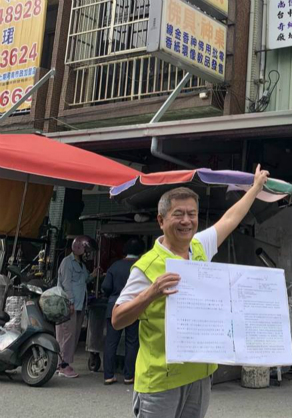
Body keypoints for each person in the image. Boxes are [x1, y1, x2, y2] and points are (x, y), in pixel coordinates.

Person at [112, 165, 270, 418]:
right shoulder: (146, 266)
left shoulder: (199, 248)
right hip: (161, 380)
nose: (186, 221)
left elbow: (230, 219)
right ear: (161, 221)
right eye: (178, 214)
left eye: (192, 214)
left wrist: (255, 189)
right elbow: (117, 319)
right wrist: (151, 293)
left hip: (199, 375)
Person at [102, 237, 146, 385]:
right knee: (132, 342)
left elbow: (106, 286)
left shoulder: (115, 266)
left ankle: (108, 375)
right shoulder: (142, 266)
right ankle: (129, 376)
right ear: (141, 251)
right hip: (134, 307)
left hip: (114, 307)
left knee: (111, 342)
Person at [56, 235, 100, 378]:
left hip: (80, 304)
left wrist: (93, 274)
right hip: (69, 304)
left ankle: (62, 363)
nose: (87, 254)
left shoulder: (81, 264)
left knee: (73, 335)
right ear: (79, 248)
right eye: (86, 251)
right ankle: (63, 365)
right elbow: (66, 284)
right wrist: (70, 302)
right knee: (66, 334)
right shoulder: (67, 262)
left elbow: (84, 280)